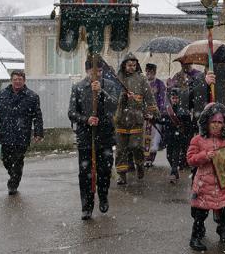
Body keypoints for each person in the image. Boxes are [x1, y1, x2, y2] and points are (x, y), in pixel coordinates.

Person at [187, 103, 225, 253]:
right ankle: (196, 237)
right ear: (207, 122)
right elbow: (190, 159)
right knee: (200, 214)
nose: (217, 126)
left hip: (222, 186)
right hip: (204, 185)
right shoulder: (197, 140)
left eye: (220, 122)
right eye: (214, 122)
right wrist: (205, 156)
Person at [68, 57, 119, 220]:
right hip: (85, 137)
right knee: (85, 174)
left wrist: (101, 92)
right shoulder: (78, 88)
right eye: (93, 71)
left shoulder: (109, 86)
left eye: (99, 71)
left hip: (105, 136)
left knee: (104, 171)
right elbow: (71, 112)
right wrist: (86, 120)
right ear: (87, 71)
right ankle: (87, 206)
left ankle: (103, 196)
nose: (96, 74)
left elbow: (114, 106)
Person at [0, 70, 44, 195]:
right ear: (11, 80)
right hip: (5, 133)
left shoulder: (32, 96)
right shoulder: (2, 94)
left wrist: (38, 132)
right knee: (6, 160)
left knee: (17, 160)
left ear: (24, 81)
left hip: (22, 134)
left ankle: (13, 183)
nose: (17, 82)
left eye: (20, 79)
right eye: (15, 79)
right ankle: (14, 175)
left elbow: (37, 116)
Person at [114, 53, 159, 185]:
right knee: (121, 149)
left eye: (134, 65)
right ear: (124, 65)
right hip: (121, 118)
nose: (132, 67)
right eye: (129, 65)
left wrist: (154, 111)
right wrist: (123, 97)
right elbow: (113, 98)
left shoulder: (141, 79)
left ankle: (140, 165)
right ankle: (121, 175)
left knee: (136, 146)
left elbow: (149, 97)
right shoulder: (118, 79)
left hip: (136, 118)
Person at [158, 88, 192, 183]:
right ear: (171, 98)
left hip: (178, 138)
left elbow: (188, 125)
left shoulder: (184, 110)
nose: (175, 99)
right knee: (168, 156)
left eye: (176, 98)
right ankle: (175, 171)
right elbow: (161, 121)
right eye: (173, 98)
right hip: (169, 137)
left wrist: (185, 135)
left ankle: (173, 173)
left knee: (175, 155)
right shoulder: (167, 110)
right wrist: (152, 118)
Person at [143, 63, 166, 167]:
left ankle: (151, 158)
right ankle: (145, 158)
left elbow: (162, 99)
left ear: (154, 72)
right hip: (144, 115)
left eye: (151, 72)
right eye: (147, 72)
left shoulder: (160, 84)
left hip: (155, 115)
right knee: (144, 137)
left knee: (154, 138)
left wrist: (159, 112)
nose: (149, 74)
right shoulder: (143, 83)